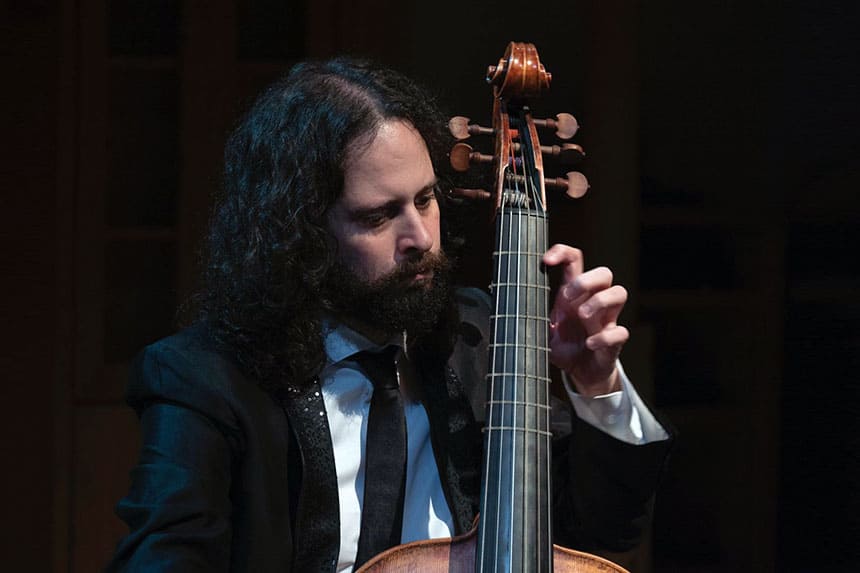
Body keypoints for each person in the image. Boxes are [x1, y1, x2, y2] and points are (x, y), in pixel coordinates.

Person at [107, 58, 672, 572]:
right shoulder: (205, 379)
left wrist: (596, 384)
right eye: (379, 216)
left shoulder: (480, 340)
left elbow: (605, 529)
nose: (420, 238)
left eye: (425, 200)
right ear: (300, 234)